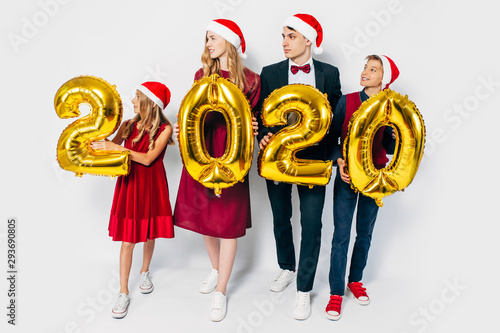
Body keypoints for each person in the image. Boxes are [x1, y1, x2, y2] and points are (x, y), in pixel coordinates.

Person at [173, 19, 261, 322]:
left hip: (232, 154)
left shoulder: (251, 80)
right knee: (203, 217)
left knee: (227, 222)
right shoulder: (202, 75)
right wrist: (180, 128)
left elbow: (258, 119)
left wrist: (253, 125)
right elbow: (193, 112)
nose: (208, 44)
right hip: (203, 149)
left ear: (228, 41)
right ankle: (216, 269)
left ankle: (221, 291)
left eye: (213, 38)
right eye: (206, 39)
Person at [256, 13, 341, 320]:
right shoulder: (270, 72)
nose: (284, 43)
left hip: (314, 162)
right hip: (278, 160)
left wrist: (335, 156)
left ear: (308, 39)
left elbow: (336, 122)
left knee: (312, 224)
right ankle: (286, 267)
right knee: (281, 219)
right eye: (282, 37)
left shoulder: (330, 74)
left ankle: (303, 289)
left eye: (290, 36)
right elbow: (262, 116)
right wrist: (264, 138)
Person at [91, 82, 175, 318]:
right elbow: (112, 147)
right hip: (130, 184)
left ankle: (145, 271)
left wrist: (118, 150)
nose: (133, 101)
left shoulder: (164, 129)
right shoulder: (128, 125)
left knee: (149, 232)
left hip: (152, 184)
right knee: (128, 240)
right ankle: (123, 291)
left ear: (150, 101)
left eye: (137, 97)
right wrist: (93, 143)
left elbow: (148, 159)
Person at [325, 55, 399, 321]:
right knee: (341, 235)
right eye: (365, 68)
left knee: (365, 233)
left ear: (384, 78)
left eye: (373, 69)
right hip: (347, 179)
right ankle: (335, 292)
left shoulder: (391, 107)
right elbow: (332, 138)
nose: (365, 72)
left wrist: (392, 133)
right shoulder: (347, 101)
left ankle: (354, 280)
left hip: (375, 180)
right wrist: (339, 161)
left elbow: (391, 149)